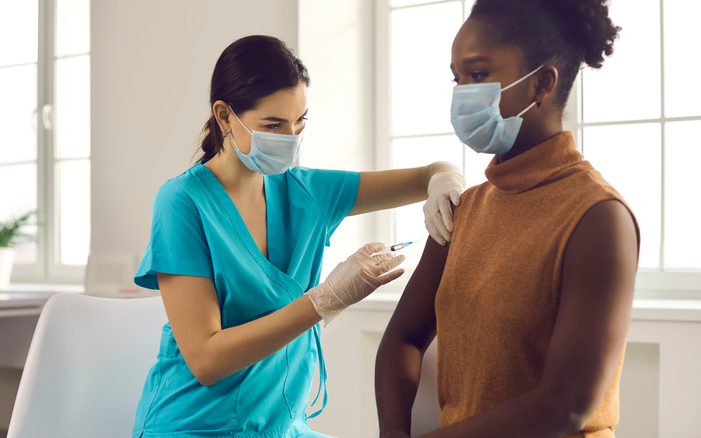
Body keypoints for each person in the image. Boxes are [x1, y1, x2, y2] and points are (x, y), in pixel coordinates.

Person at [131, 35, 466, 438]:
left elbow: (428, 173)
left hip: (280, 427)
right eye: (272, 125)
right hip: (195, 426)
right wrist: (325, 300)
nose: (290, 139)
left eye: (300, 122)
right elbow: (206, 360)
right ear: (224, 117)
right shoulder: (183, 202)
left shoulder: (307, 192)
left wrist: (445, 181)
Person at [375, 1, 640, 437]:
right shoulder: (464, 210)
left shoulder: (597, 219)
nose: (462, 93)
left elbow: (565, 406)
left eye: (477, 75)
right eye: (456, 77)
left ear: (542, 83)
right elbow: (403, 338)